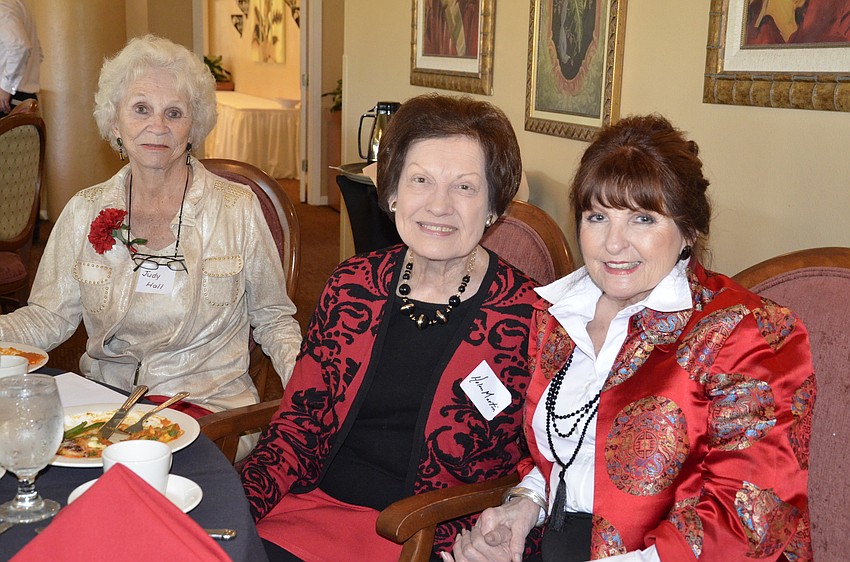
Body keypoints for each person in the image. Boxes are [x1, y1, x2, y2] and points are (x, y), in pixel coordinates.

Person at [445, 115, 815, 562]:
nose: (613, 244)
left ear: (688, 231)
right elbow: (572, 452)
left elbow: (750, 519)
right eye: (597, 217)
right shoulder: (557, 313)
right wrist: (526, 505)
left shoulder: (747, 332)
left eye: (643, 218)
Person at [240, 93, 542, 561]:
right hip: (309, 507)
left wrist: (502, 526)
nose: (439, 206)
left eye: (464, 187)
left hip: (427, 533)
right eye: (421, 180)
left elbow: (544, 459)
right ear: (393, 193)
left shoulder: (528, 317)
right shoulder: (352, 285)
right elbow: (298, 422)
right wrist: (236, 505)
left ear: (493, 207)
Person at [0, 35, 301, 420]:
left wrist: (312, 391)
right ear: (115, 122)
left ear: (194, 126)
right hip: (107, 403)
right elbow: (47, 318)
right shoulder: (83, 211)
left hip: (208, 407)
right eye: (141, 109)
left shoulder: (236, 209)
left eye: (174, 113)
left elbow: (274, 319)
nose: (157, 126)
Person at [0, 0, 42, 117]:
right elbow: (38, 52)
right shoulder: (19, 4)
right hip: (20, 96)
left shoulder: (3, 6)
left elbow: (20, 47)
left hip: (8, 100)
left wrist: (5, 88)